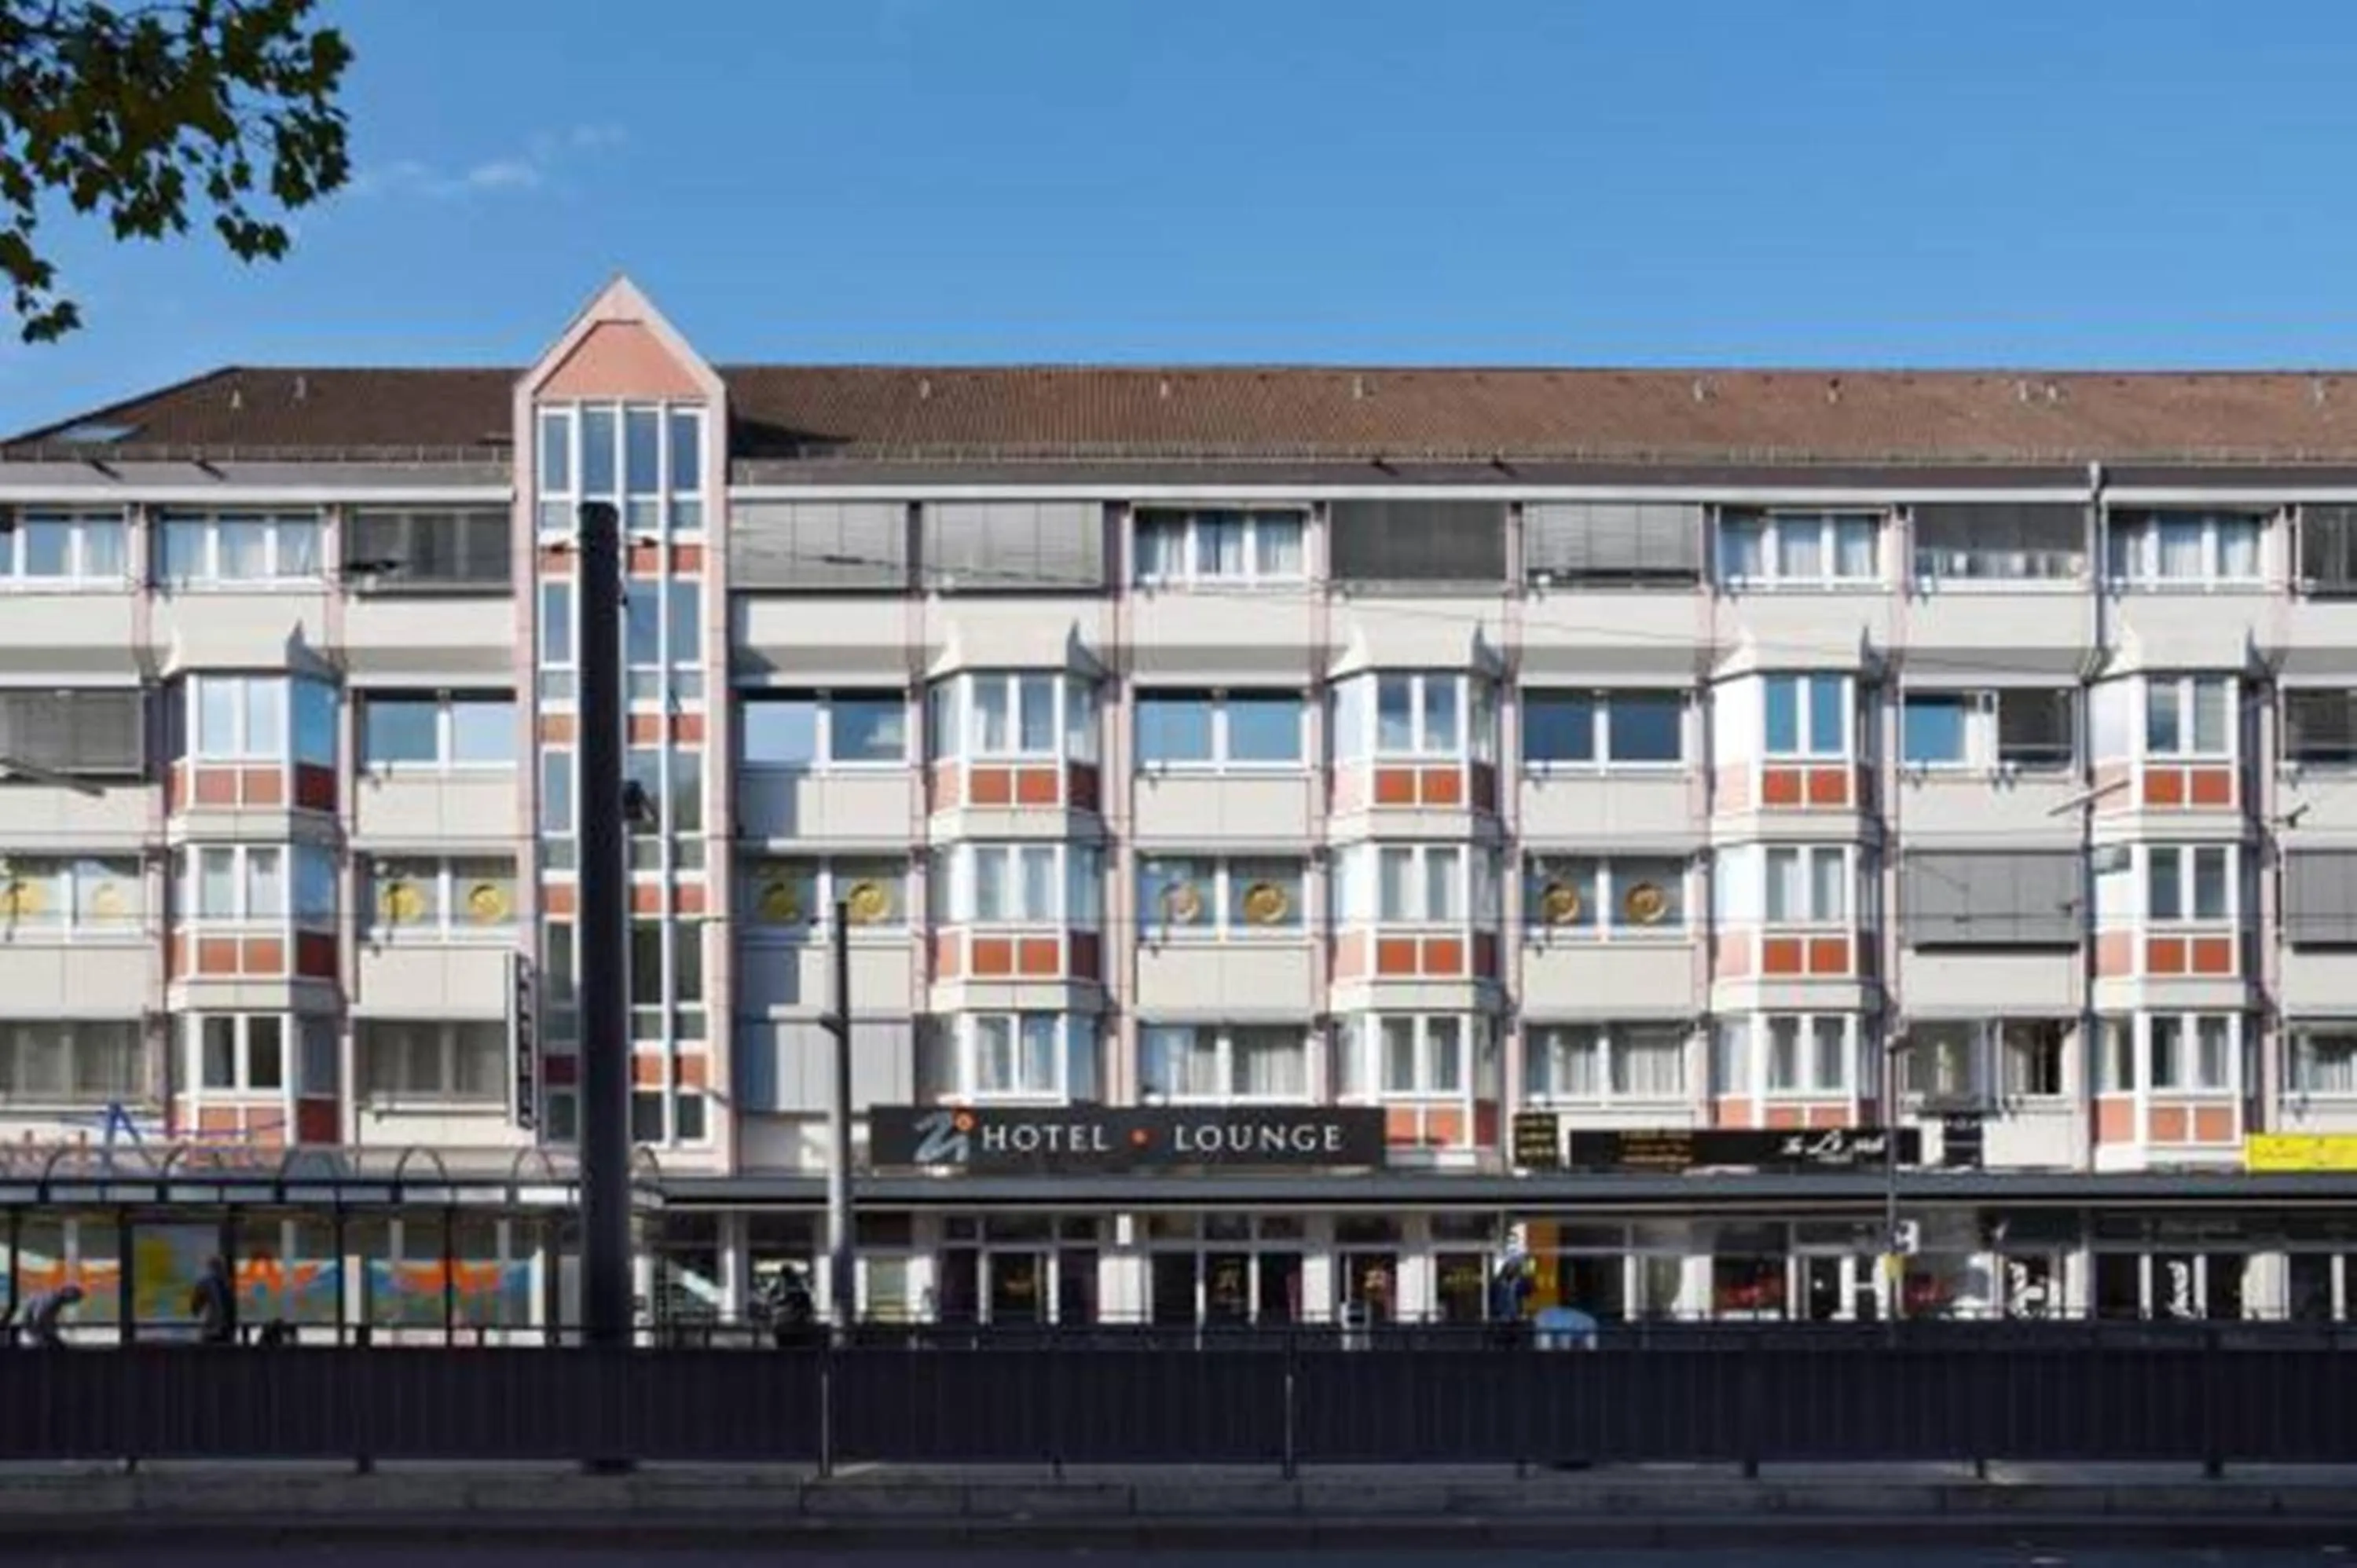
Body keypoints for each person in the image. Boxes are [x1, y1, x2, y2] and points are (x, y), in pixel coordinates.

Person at [189, 1255, 237, 1346]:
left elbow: (196, 1308)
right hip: (220, 1330)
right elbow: (196, 1307)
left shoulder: (223, 1284)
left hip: (217, 1330)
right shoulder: (224, 1284)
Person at [23, 1282, 85, 1348]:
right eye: (76, 1298)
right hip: (36, 1331)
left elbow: (44, 1317)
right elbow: (39, 1316)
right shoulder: (53, 1300)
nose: (73, 1302)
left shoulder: (52, 1296)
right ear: (68, 1293)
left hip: (36, 1330)